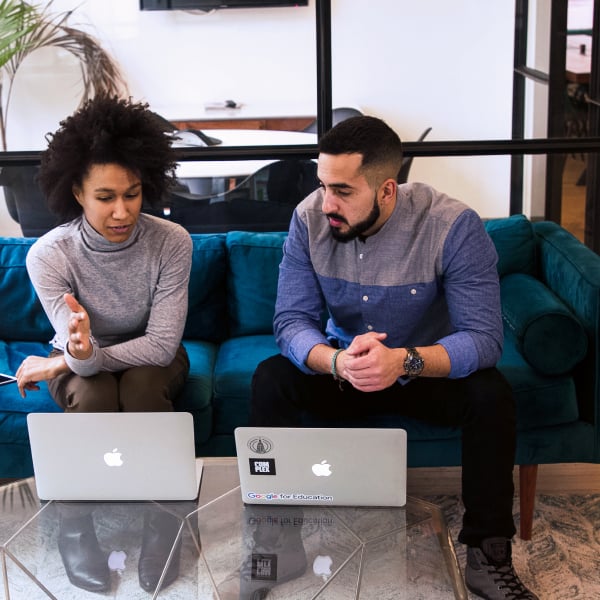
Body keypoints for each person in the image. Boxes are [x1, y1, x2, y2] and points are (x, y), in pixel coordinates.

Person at [250, 116, 538, 600]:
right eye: (322, 186)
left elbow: (485, 339)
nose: (327, 204)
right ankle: (278, 545)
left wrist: (402, 361)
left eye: (342, 191)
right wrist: (337, 363)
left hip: (422, 373)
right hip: (346, 370)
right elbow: (290, 322)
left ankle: (488, 558)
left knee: (491, 394)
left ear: (387, 190)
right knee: (271, 378)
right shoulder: (307, 219)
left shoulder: (452, 226)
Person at [15, 95, 193, 593]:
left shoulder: (172, 241)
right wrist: (79, 356)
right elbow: (87, 370)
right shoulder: (49, 255)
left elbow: (160, 348)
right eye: (106, 196)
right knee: (93, 394)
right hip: (78, 356)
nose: (122, 211)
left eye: (133, 194)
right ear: (76, 191)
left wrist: (60, 366)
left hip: (148, 354)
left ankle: (165, 524)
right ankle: (76, 529)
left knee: (137, 391)